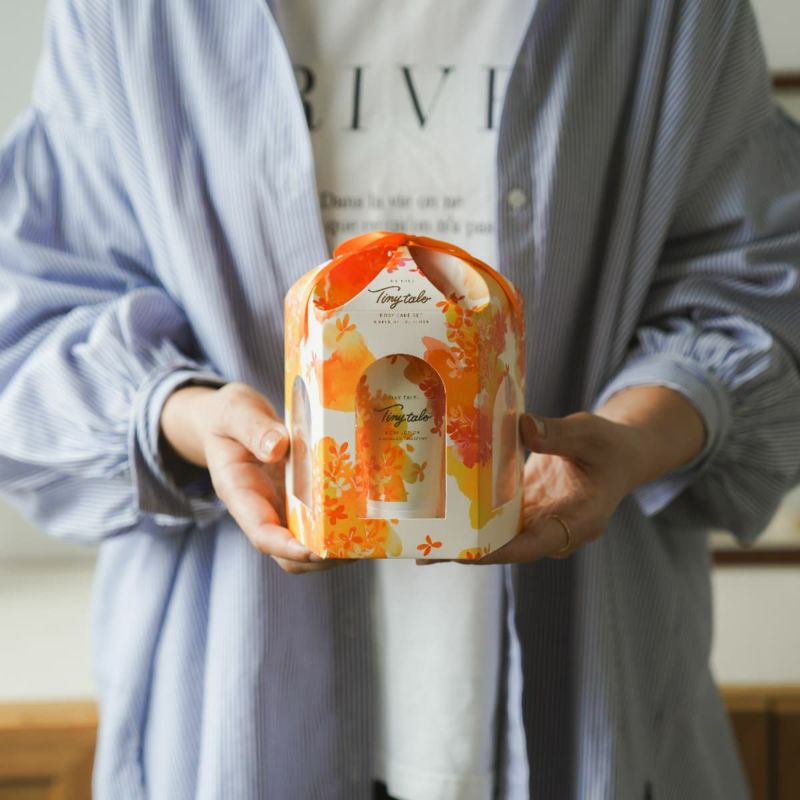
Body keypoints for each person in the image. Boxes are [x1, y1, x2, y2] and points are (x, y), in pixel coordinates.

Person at [1, 0, 799, 797]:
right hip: (235, 687)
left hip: (588, 669)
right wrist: (188, 416)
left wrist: (635, 435)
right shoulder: (130, 15)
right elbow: (30, 313)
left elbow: (758, 282)